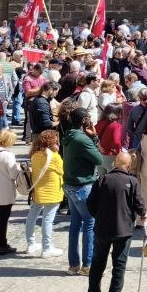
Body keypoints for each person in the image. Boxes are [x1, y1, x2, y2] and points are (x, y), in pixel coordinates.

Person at [82, 150, 145, 292]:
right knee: (119, 265)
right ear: (128, 165)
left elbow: (90, 204)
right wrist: (144, 214)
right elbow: (139, 205)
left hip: (102, 228)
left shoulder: (102, 179)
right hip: (123, 230)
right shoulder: (132, 181)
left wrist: (98, 216)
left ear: (115, 163)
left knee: (97, 263)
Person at [62, 107, 106, 275]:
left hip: (70, 184)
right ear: (83, 121)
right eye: (88, 117)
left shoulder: (69, 134)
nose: (90, 119)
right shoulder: (82, 139)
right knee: (89, 223)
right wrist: (94, 137)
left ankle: (74, 265)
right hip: (82, 186)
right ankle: (87, 265)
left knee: (75, 223)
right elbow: (99, 159)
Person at [22, 129, 63, 258]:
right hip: (52, 192)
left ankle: (31, 244)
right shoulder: (54, 156)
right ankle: (47, 248)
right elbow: (62, 171)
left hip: (38, 191)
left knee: (31, 217)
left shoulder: (35, 154)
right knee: (48, 220)